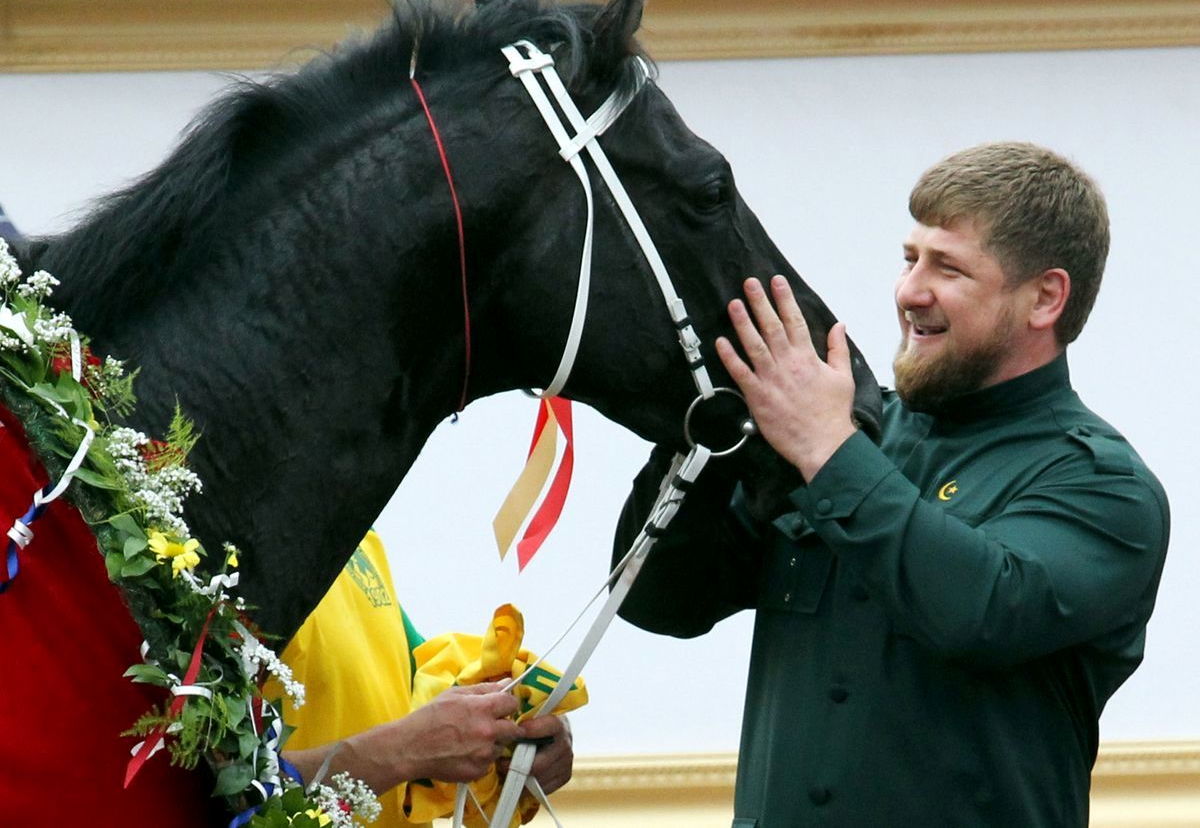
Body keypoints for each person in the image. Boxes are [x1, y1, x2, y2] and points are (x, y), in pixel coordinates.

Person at [612, 142, 1169, 827]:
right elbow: (662, 600)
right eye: (910, 259)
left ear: (1045, 297)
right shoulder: (850, 433)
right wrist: (700, 429)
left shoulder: (1103, 484)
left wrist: (826, 448)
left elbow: (980, 607)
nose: (910, 291)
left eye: (949, 267)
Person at [268, 529, 573, 826]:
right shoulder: (229, 546)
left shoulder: (357, 537)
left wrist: (526, 727)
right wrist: (405, 749)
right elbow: (226, 790)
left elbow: (429, 691)